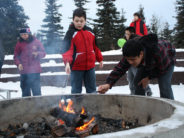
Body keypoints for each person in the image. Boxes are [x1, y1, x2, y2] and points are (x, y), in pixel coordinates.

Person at [98, 34, 175, 100]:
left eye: (133, 59)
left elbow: (162, 70)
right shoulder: (131, 52)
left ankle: (172, 112)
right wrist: (108, 84)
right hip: (147, 61)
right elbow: (120, 68)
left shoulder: (158, 52)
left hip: (167, 59)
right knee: (138, 82)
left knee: (164, 85)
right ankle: (140, 108)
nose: (130, 62)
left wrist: (148, 77)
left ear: (141, 54)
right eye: (128, 60)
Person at [62, 8, 103, 94]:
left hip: (90, 67)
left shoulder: (90, 31)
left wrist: (100, 59)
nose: (79, 23)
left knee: (92, 90)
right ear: (73, 20)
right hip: (76, 68)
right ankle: (76, 107)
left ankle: (92, 106)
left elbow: (95, 47)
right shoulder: (70, 33)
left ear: (85, 21)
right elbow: (67, 50)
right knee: (76, 91)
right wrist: (67, 63)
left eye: (81, 21)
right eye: (77, 21)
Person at [14, 27, 46, 97]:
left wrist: (38, 53)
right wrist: (18, 64)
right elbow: (16, 56)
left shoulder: (36, 42)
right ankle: (27, 107)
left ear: (29, 33)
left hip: (35, 71)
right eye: (22, 35)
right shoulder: (19, 43)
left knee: (36, 91)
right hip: (24, 71)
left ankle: (38, 107)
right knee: (25, 92)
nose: (23, 36)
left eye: (25, 34)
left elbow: (43, 53)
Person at [125, 27, 152, 96]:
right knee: (130, 78)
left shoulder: (137, 41)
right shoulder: (127, 42)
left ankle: (147, 90)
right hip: (131, 64)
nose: (125, 36)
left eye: (127, 34)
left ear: (132, 33)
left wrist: (149, 77)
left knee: (138, 79)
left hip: (138, 63)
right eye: (125, 34)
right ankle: (133, 93)